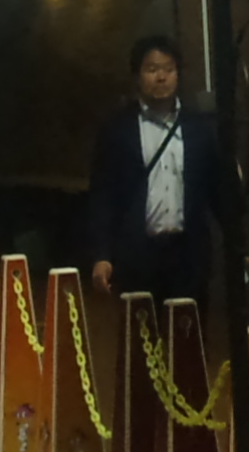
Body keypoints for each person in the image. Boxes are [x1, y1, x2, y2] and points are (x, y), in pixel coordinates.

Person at [83, 35, 220, 306]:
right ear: (137, 76)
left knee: (188, 330)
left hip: (187, 256)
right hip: (137, 255)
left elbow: (218, 190)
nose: (161, 77)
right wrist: (102, 255)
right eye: (152, 69)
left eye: (169, 69)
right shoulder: (117, 129)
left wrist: (241, 246)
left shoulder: (198, 129)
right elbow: (103, 196)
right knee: (140, 330)